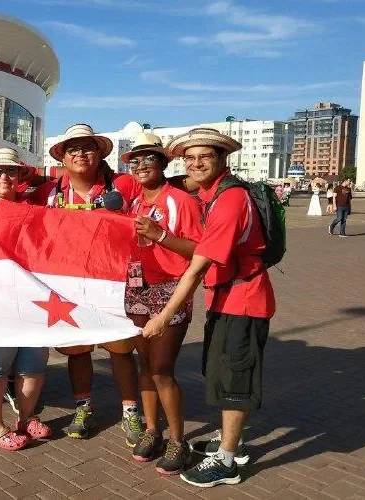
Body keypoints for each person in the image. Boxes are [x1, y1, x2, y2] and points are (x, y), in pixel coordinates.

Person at [142, 128, 276, 487]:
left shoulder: (230, 201)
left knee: (234, 379)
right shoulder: (211, 195)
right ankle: (228, 439)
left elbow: (198, 266)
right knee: (221, 371)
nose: (196, 163)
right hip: (227, 297)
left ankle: (228, 461)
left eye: (205, 156)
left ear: (223, 159)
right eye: (190, 157)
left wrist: (164, 316)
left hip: (243, 300)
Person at [29, 124, 144, 447]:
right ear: (62, 157)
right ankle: (84, 408)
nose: (80, 154)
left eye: (87, 147)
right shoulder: (47, 192)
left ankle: (130, 411)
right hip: (70, 285)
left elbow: (157, 190)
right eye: (73, 149)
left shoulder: (123, 185)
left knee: (121, 349)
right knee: (77, 350)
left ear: (99, 153)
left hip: (114, 281)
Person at [121, 134, 203, 474]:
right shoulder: (134, 203)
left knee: (161, 370)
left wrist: (160, 236)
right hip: (138, 289)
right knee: (144, 366)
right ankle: (153, 431)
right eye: (134, 161)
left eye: (148, 159)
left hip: (172, 290)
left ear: (163, 163)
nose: (140, 166)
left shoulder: (180, 200)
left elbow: (199, 251)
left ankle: (178, 440)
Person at [0, 148, 51, 450]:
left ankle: (26, 418)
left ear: (19, 177)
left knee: (34, 361)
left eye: (11, 171)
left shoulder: (32, 209)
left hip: (31, 298)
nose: (4, 177)